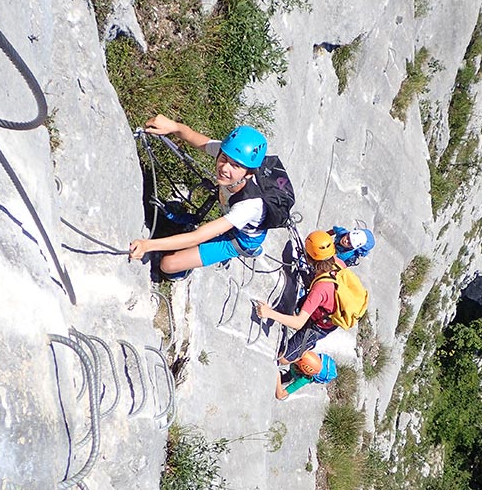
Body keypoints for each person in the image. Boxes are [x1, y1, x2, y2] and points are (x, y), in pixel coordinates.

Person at [129, 114, 268, 278]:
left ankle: (249, 251)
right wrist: (174, 126)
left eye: (235, 166)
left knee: (168, 266)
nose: (224, 168)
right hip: (233, 215)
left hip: (242, 239)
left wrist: (147, 245)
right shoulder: (227, 154)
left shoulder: (249, 205)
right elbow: (193, 137)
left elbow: (197, 236)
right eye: (224, 159)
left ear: (249, 174)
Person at [255, 231, 341, 394]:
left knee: (283, 359)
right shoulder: (338, 264)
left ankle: (304, 347)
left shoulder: (320, 289)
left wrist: (269, 313)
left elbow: (299, 323)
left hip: (317, 327)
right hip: (325, 315)